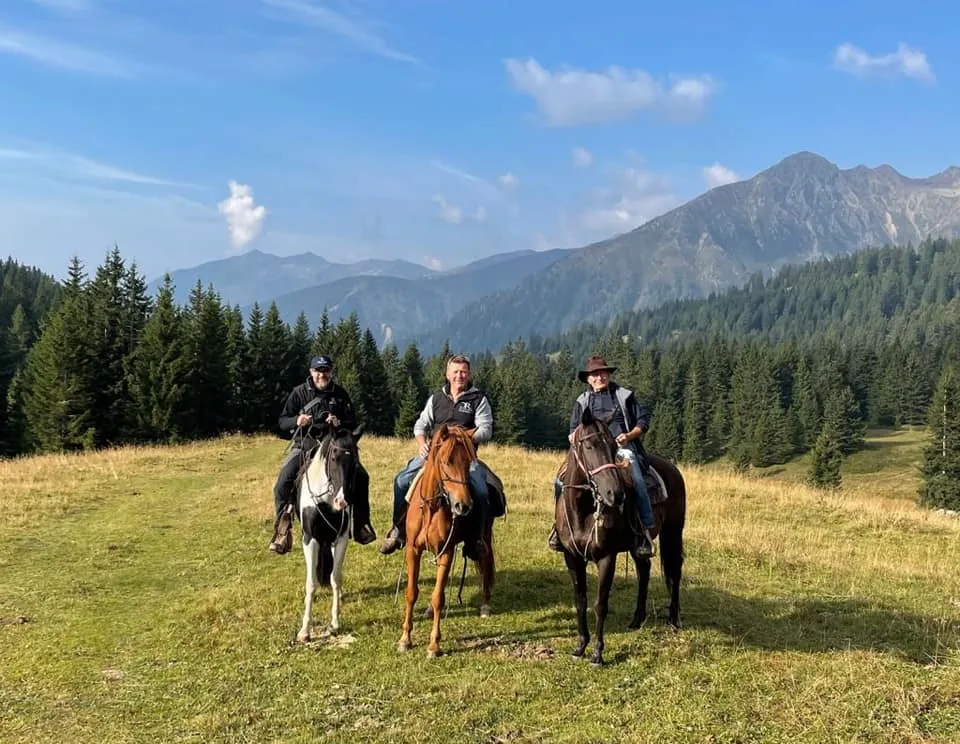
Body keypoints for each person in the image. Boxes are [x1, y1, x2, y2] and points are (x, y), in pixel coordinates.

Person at [378, 354, 493, 560]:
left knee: (482, 492)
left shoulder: (478, 399)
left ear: (469, 374)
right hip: (433, 457)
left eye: (463, 372)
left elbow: (486, 430)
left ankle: (475, 540)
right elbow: (420, 425)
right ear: (448, 374)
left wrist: (461, 436)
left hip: (463, 459)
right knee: (401, 481)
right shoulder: (437, 398)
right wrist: (422, 443)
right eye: (456, 372)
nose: (460, 376)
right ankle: (398, 530)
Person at [549, 354, 655, 558]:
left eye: (602, 373)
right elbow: (572, 430)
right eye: (595, 375)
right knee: (560, 480)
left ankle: (644, 530)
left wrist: (629, 435)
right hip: (590, 451)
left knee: (637, 480)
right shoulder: (583, 401)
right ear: (588, 379)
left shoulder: (624, 396)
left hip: (619, 448)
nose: (599, 378)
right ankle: (559, 527)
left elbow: (642, 422)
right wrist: (575, 438)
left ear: (608, 374)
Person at [268, 354, 376, 554]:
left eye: (325, 371)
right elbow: (282, 421)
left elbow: (352, 423)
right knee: (283, 480)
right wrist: (297, 421)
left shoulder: (340, 394)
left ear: (331, 372)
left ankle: (360, 525)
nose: (322, 375)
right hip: (305, 445)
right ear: (311, 372)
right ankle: (282, 530)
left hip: (334, 447)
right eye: (318, 371)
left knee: (361, 476)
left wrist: (339, 424)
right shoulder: (299, 393)